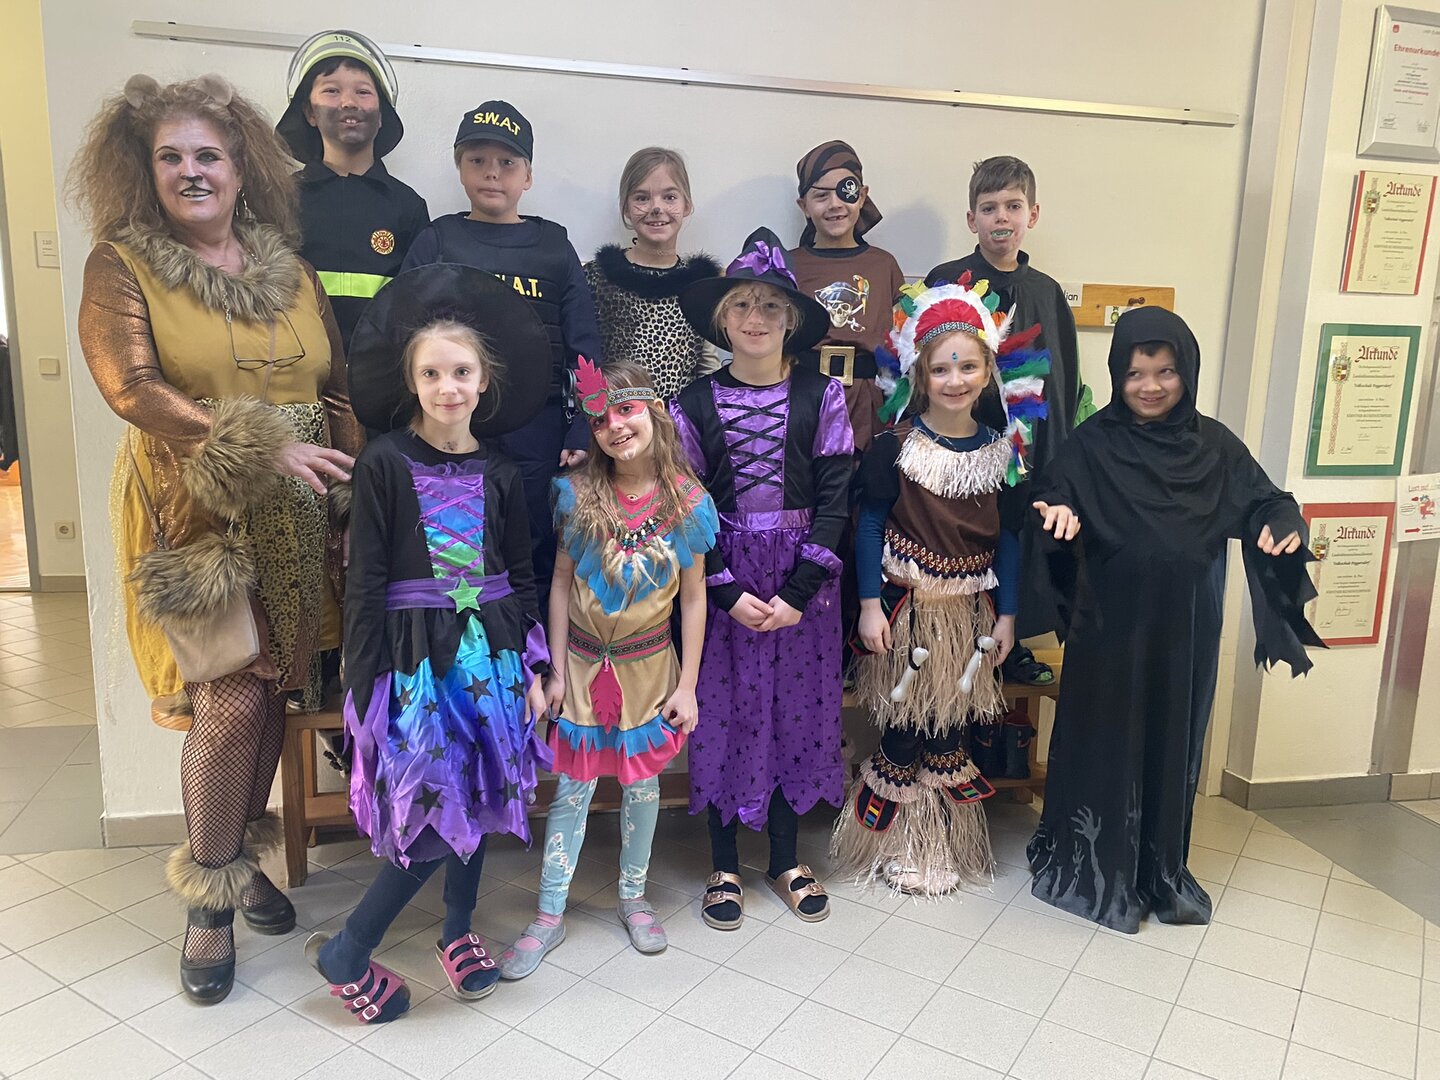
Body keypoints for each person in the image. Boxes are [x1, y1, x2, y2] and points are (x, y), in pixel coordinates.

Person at [72, 73, 362, 1003]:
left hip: (301, 514)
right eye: (172, 157)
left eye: (209, 154)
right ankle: (208, 901)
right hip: (195, 512)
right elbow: (130, 388)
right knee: (227, 700)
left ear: (244, 168)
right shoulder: (122, 265)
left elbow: (336, 391)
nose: (191, 171)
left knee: (275, 692)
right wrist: (262, 443)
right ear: (144, 169)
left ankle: (236, 859)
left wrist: (352, 500)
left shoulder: (292, 270)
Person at [307, 264, 555, 1022]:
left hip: (494, 658)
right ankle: (349, 948)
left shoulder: (501, 469)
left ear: (485, 380)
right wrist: (363, 684)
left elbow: (520, 573)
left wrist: (535, 666)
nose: (448, 387)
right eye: (432, 373)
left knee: (479, 792)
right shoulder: (384, 462)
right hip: (415, 662)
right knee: (431, 809)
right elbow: (364, 581)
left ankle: (457, 928)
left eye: (462, 372)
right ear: (412, 382)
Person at [1025, 306, 1323, 934]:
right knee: (1102, 738)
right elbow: (1050, 492)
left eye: (1165, 371)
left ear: (1186, 371)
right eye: (1135, 373)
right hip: (1107, 628)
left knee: (1170, 737)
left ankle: (1159, 870)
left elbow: (1267, 500)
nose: (1151, 386)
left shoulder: (1214, 445)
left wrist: (1283, 523)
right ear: (1118, 375)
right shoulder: (1093, 442)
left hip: (1184, 630)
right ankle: (1092, 867)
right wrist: (1057, 512)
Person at [831, 274, 1055, 894]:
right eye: (940, 368)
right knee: (903, 729)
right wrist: (869, 606)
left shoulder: (1004, 454)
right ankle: (895, 844)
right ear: (919, 376)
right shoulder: (895, 447)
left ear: (988, 372)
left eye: (967, 366)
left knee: (950, 732)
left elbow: (1009, 541)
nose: (954, 379)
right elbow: (869, 524)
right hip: (904, 613)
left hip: (968, 621)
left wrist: (1007, 616)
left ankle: (941, 843)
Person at [500, 360, 717, 978]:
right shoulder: (575, 495)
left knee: (642, 785)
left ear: (654, 412)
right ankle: (549, 912)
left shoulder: (689, 502)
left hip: (651, 669)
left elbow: (694, 598)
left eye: (626, 410)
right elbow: (560, 583)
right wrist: (554, 671)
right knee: (573, 786)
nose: (615, 427)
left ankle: (633, 895)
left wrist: (688, 685)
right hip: (579, 664)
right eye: (599, 419)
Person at [673, 228, 853, 929]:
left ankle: (784, 857)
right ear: (723, 320)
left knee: (793, 715)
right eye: (742, 305)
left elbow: (836, 501)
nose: (756, 317)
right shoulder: (692, 403)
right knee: (724, 712)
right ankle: (723, 863)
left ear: (791, 320)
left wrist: (798, 594)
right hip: (721, 580)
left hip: (805, 585)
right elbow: (685, 503)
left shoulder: (822, 395)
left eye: (771, 306)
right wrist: (723, 587)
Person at [402, 100, 603, 607]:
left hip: (538, 430)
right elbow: (402, 335)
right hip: (451, 424)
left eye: (507, 163)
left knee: (533, 543)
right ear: (459, 167)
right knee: (453, 545)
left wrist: (584, 427)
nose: (492, 173)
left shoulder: (554, 246)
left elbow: (584, 346)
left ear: (528, 176)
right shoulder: (437, 241)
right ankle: (462, 647)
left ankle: (530, 645)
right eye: (478, 161)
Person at [926, 156, 1080, 687]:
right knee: (958, 537)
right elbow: (921, 364)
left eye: (1013, 206)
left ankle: (1011, 645)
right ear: (972, 218)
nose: (1001, 218)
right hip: (960, 441)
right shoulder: (949, 281)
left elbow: (1062, 380)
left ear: (1032, 215)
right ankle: (948, 640)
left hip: (1026, 450)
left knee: (1017, 537)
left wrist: (1055, 455)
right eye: (989, 208)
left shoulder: (1047, 293)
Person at [276, 30, 429, 353]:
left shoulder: (408, 206)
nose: (348, 102)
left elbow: (420, 304)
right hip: (298, 368)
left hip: (382, 370)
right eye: (331, 90)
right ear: (309, 113)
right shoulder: (281, 198)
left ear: (382, 115)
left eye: (363, 91)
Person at [787, 140, 905, 454]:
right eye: (821, 196)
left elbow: (903, 342)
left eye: (845, 191)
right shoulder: (788, 265)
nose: (835, 204)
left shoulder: (883, 265)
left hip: (870, 403)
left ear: (862, 196)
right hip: (805, 399)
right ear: (804, 206)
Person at [584, 148, 720, 399]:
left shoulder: (701, 286)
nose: (656, 208)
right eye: (642, 198)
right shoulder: (596, 277)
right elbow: (584, 359)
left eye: (669, 197)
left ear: (687, 205)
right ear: (626, 208)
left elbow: (707, 366)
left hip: (678, 420)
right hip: (613, 416)